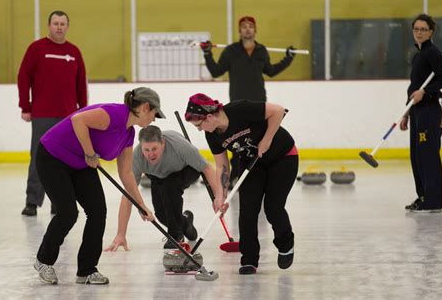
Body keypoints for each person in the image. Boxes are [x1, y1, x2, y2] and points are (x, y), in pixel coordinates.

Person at [33, 87, 163, 285]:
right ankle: (44, 261)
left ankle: (86, 270)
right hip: (53, 156)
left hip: (81, 162)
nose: (154, 119)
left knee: (97, 211)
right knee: (68, 213)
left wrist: (140, 205)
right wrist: (90, 153)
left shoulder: (128, 134)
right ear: (145, 107)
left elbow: (126, 173)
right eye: (155, 114)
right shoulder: (115, 114)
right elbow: (79, 120)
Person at [185, 93, 299, 275]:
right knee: (247, 210)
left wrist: (266, 140)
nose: (199, 129)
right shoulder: (212, 135)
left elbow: (278, 111)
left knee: (273, 208)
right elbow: (222, 165)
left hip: (283, 157)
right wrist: (220, 196)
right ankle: (249, 260)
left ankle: (286, 244)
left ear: (209, 116)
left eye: (199, 125)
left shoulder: (239, 109)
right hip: (251, 162)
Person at [200, 16, 296, 186]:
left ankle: (262, 175)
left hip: (259, 105)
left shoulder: (261, 51)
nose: (247, 29)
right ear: (239, 30)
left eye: (250, 26)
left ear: (255, 30)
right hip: (238, 107)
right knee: (238, 145)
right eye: (243, 26)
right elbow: (216, 72)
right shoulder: (230, 51)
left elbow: (271, 71)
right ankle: (236, 179)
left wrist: (288, 58)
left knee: (260, 140)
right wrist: (207, 53)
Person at [18, 10, 88, 216]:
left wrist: (83, 111)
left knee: (64, 160)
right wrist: (26, 106)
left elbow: (80, 84)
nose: (59, 27)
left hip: (68, 117)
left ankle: (59, 202)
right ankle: (32, 201)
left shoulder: (74, 52)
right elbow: (23, 77)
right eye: (55, 23)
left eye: (62, 23)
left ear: (67, 26)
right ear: (49, 25)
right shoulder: (36, 49)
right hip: (42, 114)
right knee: (39, 158)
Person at [105, 125, 219, 251]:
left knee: (170, 186)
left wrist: (218, 197)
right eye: (146, 150)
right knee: (161, 215)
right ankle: (186, 222)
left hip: (186, 169)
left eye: (154, 149)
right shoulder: (137, 157)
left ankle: (176, 236)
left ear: (163, 143)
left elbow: (207, 168)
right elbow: (128, 195)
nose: (150, 154)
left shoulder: (180, 146)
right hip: (158, 175)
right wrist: (121, 234)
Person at [401, 14, 442, 213]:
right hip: (417, 112)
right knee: (417, 157)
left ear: (431, 32)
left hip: (429, 112)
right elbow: (414, 87)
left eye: (423, 29)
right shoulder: (418, 55)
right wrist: (406, 112)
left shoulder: (433, 53)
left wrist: (426, 92)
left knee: (428, 157)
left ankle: (434, 201)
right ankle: (423, 197)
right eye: (416, 29)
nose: (419, 32)